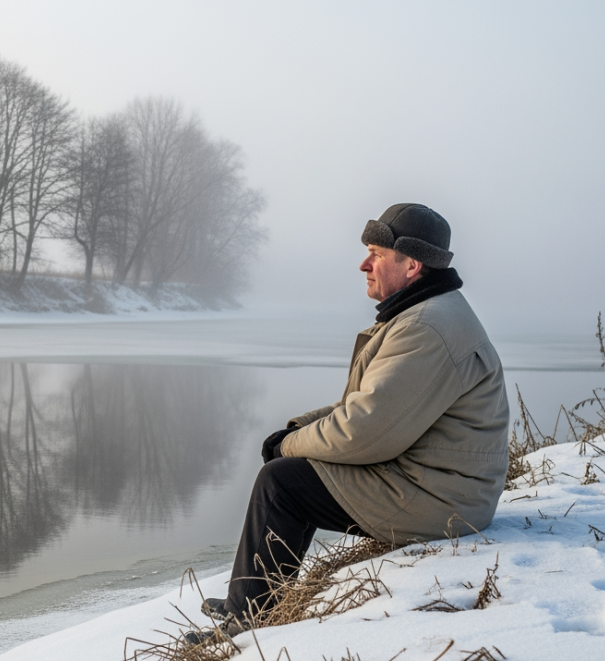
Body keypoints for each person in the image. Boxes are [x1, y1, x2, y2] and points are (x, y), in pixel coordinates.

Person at [198, 203, 510, 637]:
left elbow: (367, 432)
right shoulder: (427, 313)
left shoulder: (426, 329)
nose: (364, 264)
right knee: (297, 473)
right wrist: (297, 429)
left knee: (283, 483)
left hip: (443, 501)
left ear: (413, 264)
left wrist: (286, 445)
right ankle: (253, 598)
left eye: (377, 254)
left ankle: (248, 617)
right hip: (442, 483)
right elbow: (369, 407)